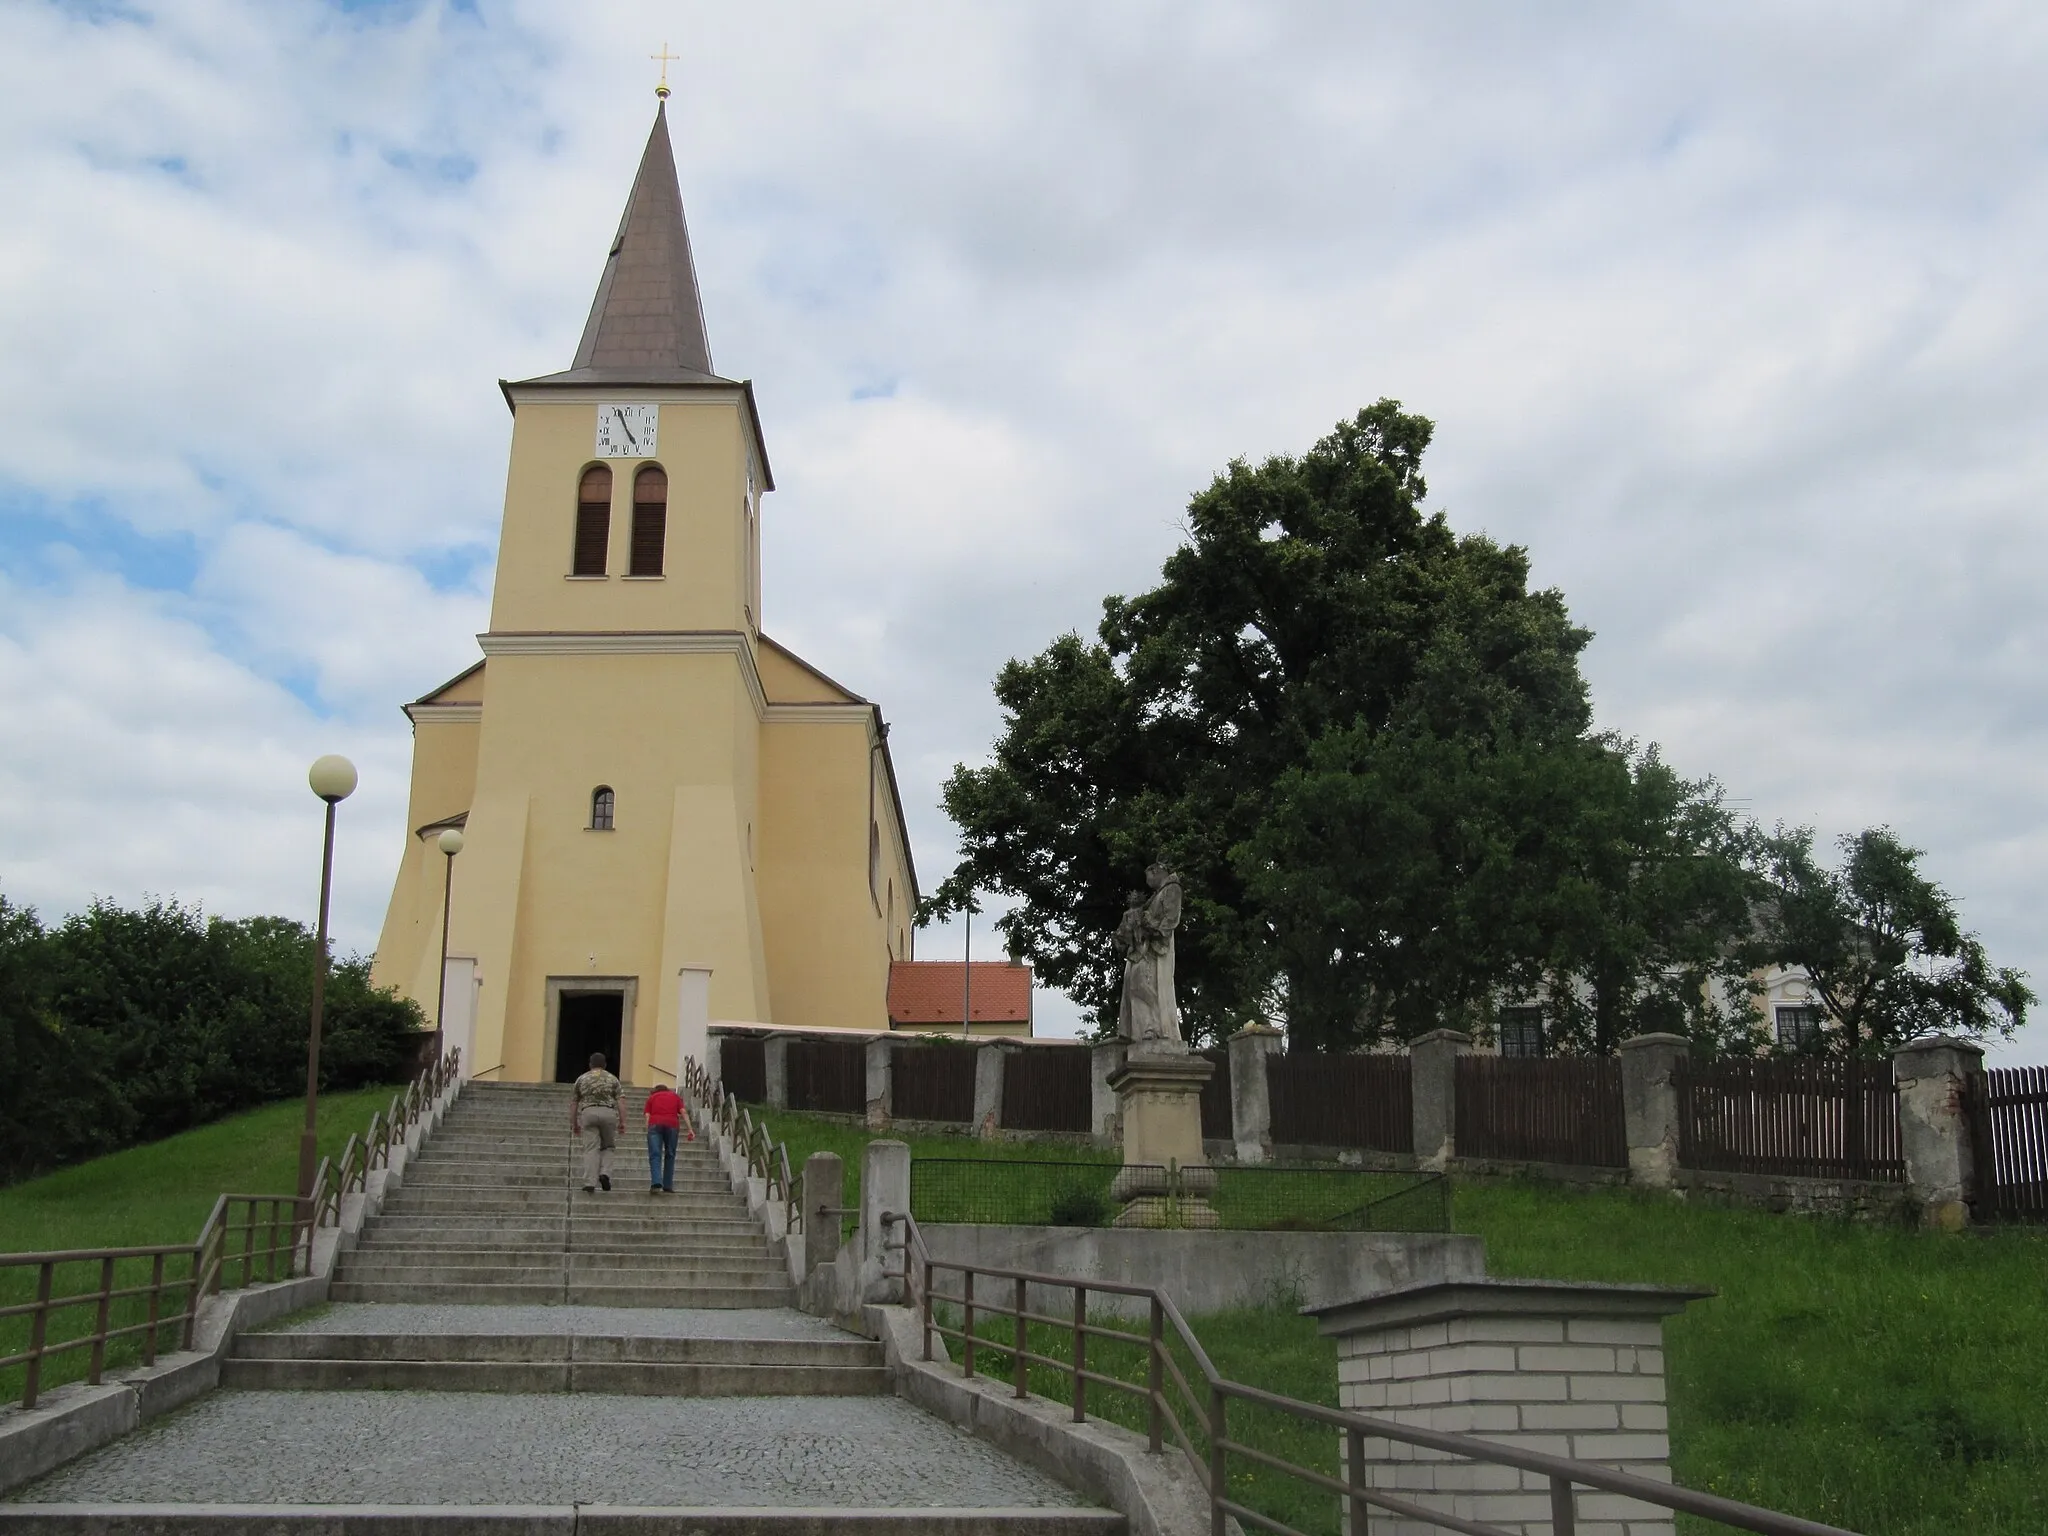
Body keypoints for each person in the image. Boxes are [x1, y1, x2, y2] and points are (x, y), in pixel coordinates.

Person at [570, 1051, 621, 1193]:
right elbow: (621, 1100)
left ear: (590, 1064)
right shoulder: (612, 1079)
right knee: (608, 1146)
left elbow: (574, 1102)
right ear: (604, 1065)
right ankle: (605, 1173)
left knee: (590, 1148)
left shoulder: (582, 1079)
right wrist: (623, 1121)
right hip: (608, 1112)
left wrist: (574, 1123)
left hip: (588, 1112)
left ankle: (590, 1182)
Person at [642, 1079, 694, 1194]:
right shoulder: (675, 1096)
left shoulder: (652, 1097)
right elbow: (683, 1112)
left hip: (655, 1125)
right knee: (670, 1154)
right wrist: (690, 1129)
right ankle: (668, 1185)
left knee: (655, 1154)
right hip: (672, 1125)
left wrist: (648, 1128)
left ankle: (656, 1182)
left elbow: (647, 1115)